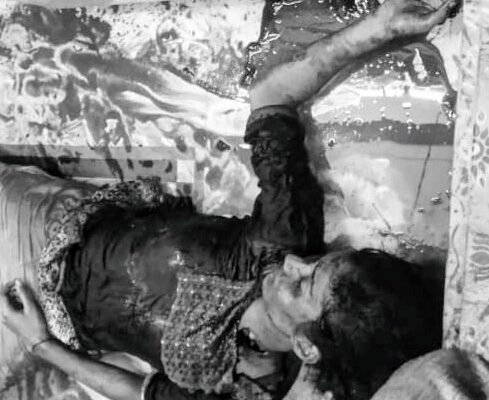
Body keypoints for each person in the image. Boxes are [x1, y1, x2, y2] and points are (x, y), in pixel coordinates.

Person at [0, 0, 455, 399]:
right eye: (317, 261)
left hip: (35, 314)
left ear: (305, 347)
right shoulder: (281, 236)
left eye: (302, 284)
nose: (294, 263)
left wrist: (41, 345)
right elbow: (272, 97)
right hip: (46, 223)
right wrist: (378, 27)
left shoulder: (246, 389)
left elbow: (141, 392)